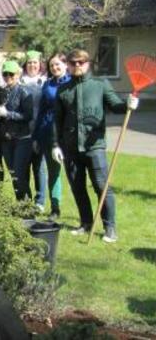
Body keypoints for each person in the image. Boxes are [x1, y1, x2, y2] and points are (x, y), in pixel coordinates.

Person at [52, 49, 139, 243]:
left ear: (87, 63)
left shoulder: (100, 85)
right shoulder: (63, 89)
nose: (77, 66)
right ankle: (85, 223)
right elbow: (57, 120)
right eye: (73, 62)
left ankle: (110, 228)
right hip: (71, 147)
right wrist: (56, 144)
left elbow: (115, 105)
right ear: (69, 65)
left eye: (81, 62)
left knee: (102, 186)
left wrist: (128, 104)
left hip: (95, 147)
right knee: (78, 187)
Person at [0, 60, 34, 201]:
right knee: (13, 173)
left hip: (22, 138)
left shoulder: (24, 92)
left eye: (11, 74)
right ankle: (20, 203)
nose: (8, 77)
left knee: (19, 172)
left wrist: (8, 114)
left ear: (18, 74)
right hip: (6, 138)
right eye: (5, 74)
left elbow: (28, 115)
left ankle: (27, 205)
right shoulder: (3, 92)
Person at [33, 53, 71, 220]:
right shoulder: (48, 85)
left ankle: (86, 217)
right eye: (52, 66)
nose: (55, 68)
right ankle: (55, 208)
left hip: (67, 133)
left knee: (74, 174)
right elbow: (41, 111)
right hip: (47, 133)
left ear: (65, 65)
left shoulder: (72, 83)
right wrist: (36, 135)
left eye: (57, 65)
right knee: (53, 172)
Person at [21, 50, 49, 212]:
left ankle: (40, 200)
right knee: (23, 167)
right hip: (22, 131)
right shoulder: (20, 81)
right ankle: (26, 199)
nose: (32, 65)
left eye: (35, 63)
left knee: (39, 167)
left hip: (39, 130)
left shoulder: (44, 82)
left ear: (40, 66)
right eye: (30, 63)